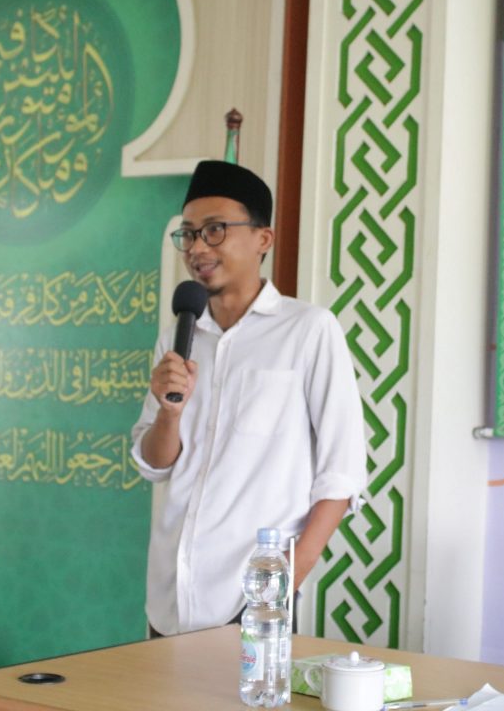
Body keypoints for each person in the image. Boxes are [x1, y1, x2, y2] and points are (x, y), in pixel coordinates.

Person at [130, 160, 367, 636]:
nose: (198, 247)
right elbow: (154, 465)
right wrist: (169, 413)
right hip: (170, 595)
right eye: (188, 234)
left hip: (252, 601)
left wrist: (282, 587)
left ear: (263, 239)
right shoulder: (178, 337)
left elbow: (342, 475)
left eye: (215, 230)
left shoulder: (308, 330)